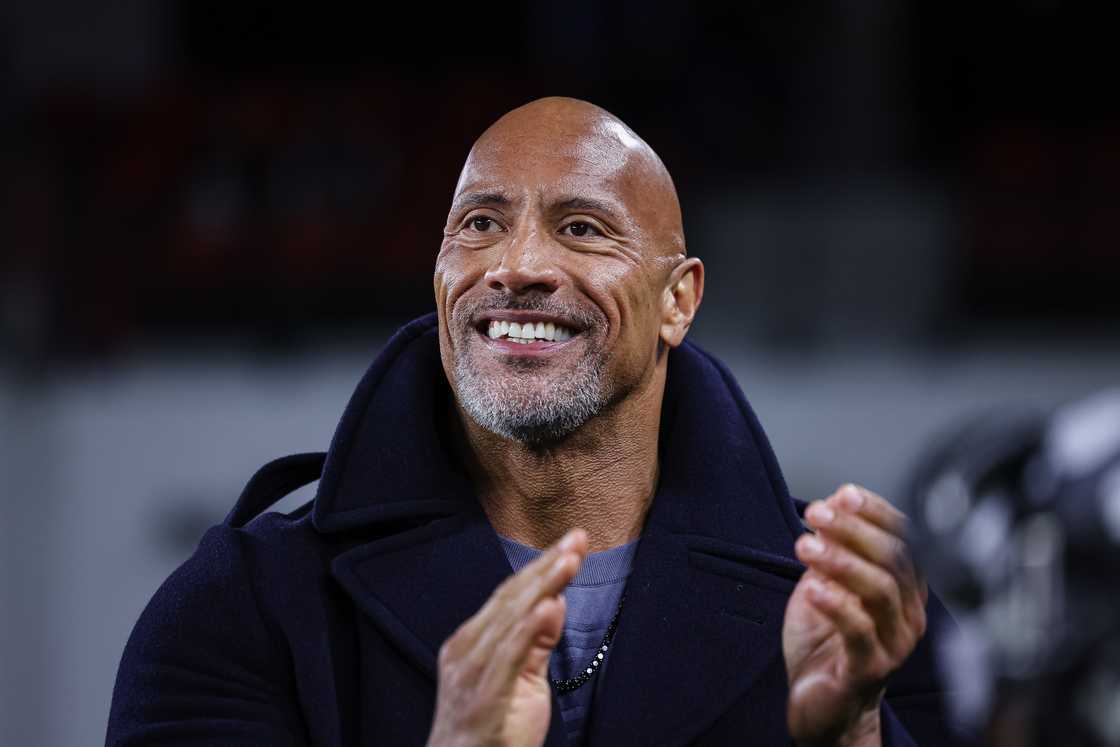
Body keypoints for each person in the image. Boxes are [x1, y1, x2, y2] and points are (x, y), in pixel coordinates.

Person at [107, 97, 963, 746]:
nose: (517, 267)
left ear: (679, 300)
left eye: (582, 228)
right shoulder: (236, 607)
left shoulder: (865, 622)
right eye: (479, 223)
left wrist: (850, 733)